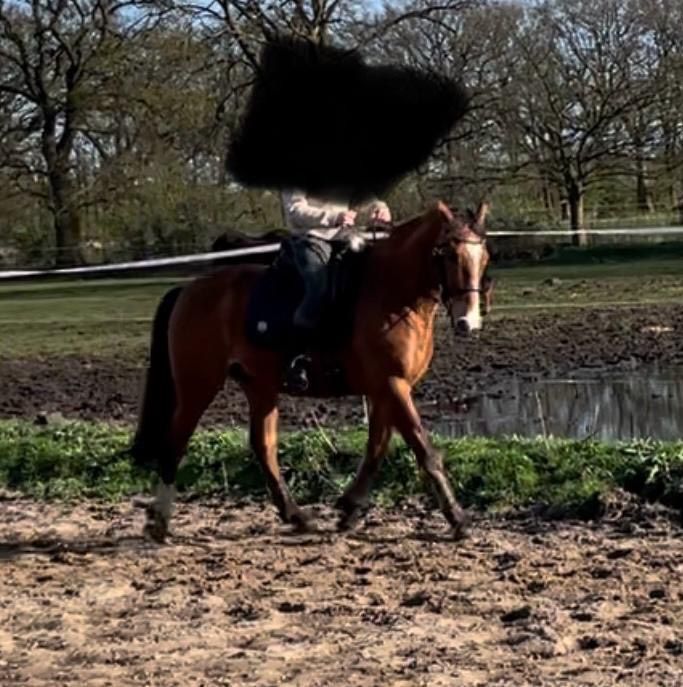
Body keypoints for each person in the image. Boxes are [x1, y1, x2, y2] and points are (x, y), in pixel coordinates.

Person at [280, 189, 391, 390]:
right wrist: (334, 217)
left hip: (346, 238)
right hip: (310, 239)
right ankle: (296, 356)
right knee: (318, 287)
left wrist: (378, 209)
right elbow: (295, 209)